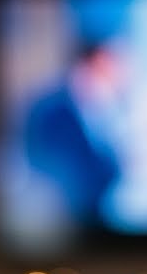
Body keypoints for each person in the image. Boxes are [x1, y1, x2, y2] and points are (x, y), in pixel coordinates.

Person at [25, 41, 127, 224]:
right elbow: (67, 177)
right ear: (87, 66)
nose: (114, 80)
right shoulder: (52, 111)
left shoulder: (98, 109)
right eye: (106, 71)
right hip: (65, 222)